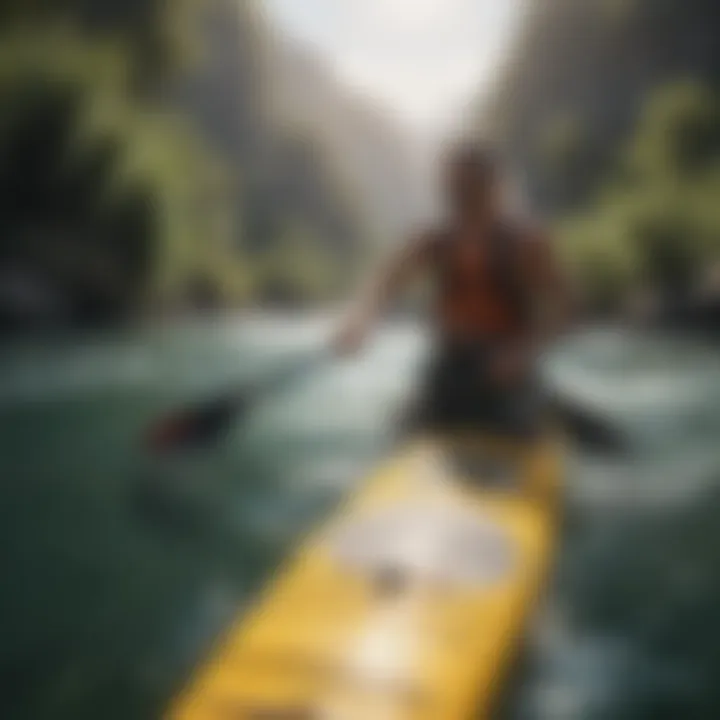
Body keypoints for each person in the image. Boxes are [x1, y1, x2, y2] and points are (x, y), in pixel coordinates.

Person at [334, 141, 570, 436]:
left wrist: (524, 352)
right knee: (406, 424)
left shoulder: (525, 243)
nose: (462, 199)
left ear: (495, 188)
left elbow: (565, 309)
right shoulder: (436, 240)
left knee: (517, 422)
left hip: (507, 371)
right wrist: (359, 319)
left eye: (471, 189)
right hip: (451, 367)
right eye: (455, 190)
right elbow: (384, 280)